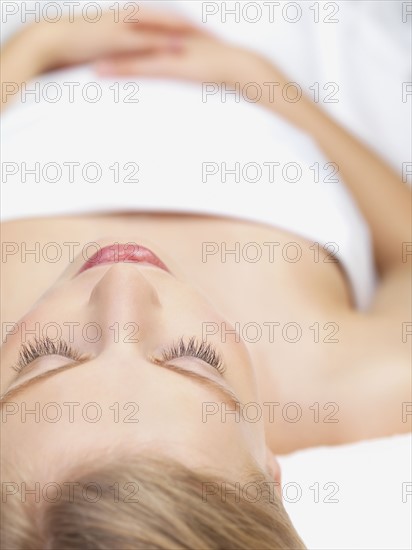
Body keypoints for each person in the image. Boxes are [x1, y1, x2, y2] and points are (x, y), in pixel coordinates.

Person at [1, 7, 410, 549]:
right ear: (268, 473)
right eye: (193, 355)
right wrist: (262, 83)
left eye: (47, 353)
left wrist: (32, 48)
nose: (125, 281)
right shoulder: (342, 383)